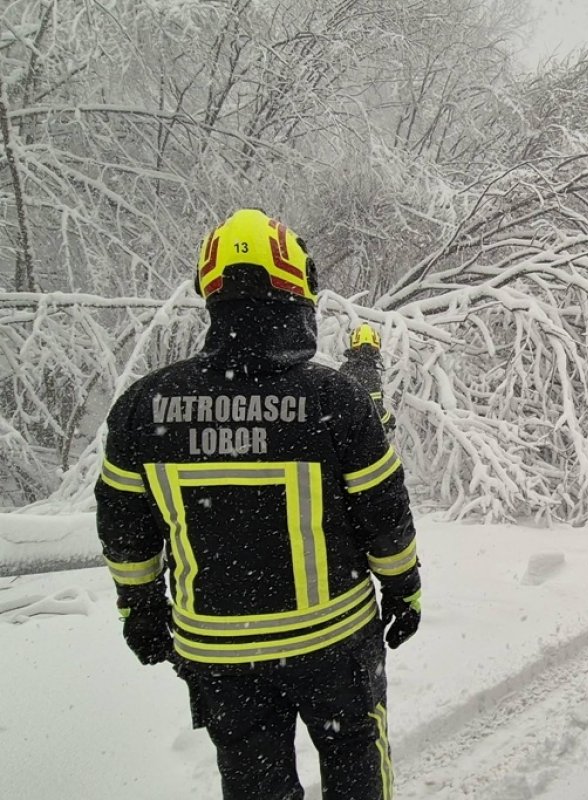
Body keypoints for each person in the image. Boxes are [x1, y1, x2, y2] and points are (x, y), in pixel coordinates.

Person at [94, 208, 422, 800]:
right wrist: (404, 589)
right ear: (299, 293)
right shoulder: (335, 398)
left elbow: (125, 533)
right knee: (356, 769)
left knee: (254, 787)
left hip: (218, 654)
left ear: (210, 296)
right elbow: (385, 515)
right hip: (334, 642)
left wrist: (139, 611)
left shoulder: (143, 407)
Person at [339, 323, 396, 435]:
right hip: (360, 435)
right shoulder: (369, 374)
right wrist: (389, 420)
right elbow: (374, 409)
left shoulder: (345, 368)